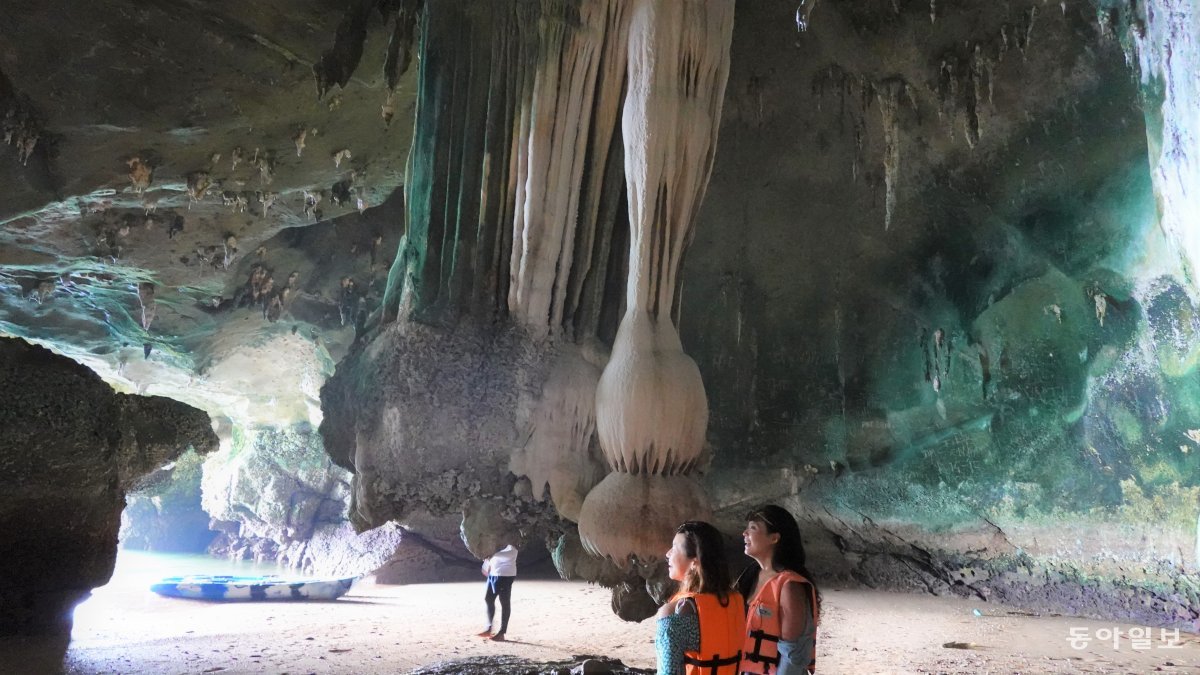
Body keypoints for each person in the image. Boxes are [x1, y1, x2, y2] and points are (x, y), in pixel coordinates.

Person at [736, 505, 821, 675]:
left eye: (753, 528)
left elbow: (793, 656)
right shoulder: (750, 575)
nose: (744, 533)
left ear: (774, 538)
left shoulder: (790, 586)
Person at [656, 521, 746, 675]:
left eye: (675, 547)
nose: (668, 553)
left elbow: (669, 671)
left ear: (694, 561)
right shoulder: (736, 600)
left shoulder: (674, 612)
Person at [478, 543, 518, 641]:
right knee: (488, 599)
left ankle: (502, 632)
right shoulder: (493, 547)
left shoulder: (512, 548)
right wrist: (486, 564)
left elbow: (507, 555)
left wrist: (489, 555)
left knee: (504, 602)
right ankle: (489, 628)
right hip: (493, 575)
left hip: (505, 576)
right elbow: (489, 560)